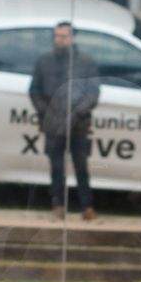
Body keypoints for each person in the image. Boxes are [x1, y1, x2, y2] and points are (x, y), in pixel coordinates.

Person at [28, 20, 101, 222]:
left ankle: (87, 206)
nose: (59, 40)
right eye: (57, 36)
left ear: (72, 37)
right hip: (53, 123)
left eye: (63, 36)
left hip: (78, 123)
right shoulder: (44, 61)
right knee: (56, 167)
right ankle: (58, 205)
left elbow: (93, 93)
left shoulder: (85, 62)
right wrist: (47, 111)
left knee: (81, 166)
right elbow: (34, 91)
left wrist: (78, 112)